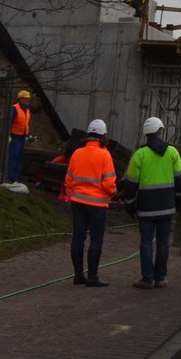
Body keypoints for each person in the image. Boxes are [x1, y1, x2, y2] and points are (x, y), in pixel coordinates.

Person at [123, 116, 181, 288]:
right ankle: (161, 278)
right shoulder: (172, 152)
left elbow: (130, 185)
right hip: (167, 207)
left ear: (146, 134)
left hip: (146, 208)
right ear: (160, 132)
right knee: (163, 242)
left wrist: (129, 205)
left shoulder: (139, 155)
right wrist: (179, 201)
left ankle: (147, 278)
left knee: (145, 243)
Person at [65, 119, 117, 286]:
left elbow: (68, 180)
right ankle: (93, 277)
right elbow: (109, 183)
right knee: (96, 240)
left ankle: (78, 275)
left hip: (78, 202)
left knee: (78, 238)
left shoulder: (77, 153)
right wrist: (114, 193)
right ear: (103, 136)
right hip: (97, 205)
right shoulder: (105, 154)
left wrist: (79, 190)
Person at [7, 89, 32, 182]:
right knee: (13, 156)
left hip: (22, 137)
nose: (27, 100)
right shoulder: (14, 108)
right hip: (15, 136)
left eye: (27, 98)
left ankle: (15, 176)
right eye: (25, 98)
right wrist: (9, 135)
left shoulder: (27, 110)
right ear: (20, 99)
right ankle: (10, 176)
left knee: (19, 157)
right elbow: (9, 122)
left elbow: (25, 123)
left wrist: (28, 135)